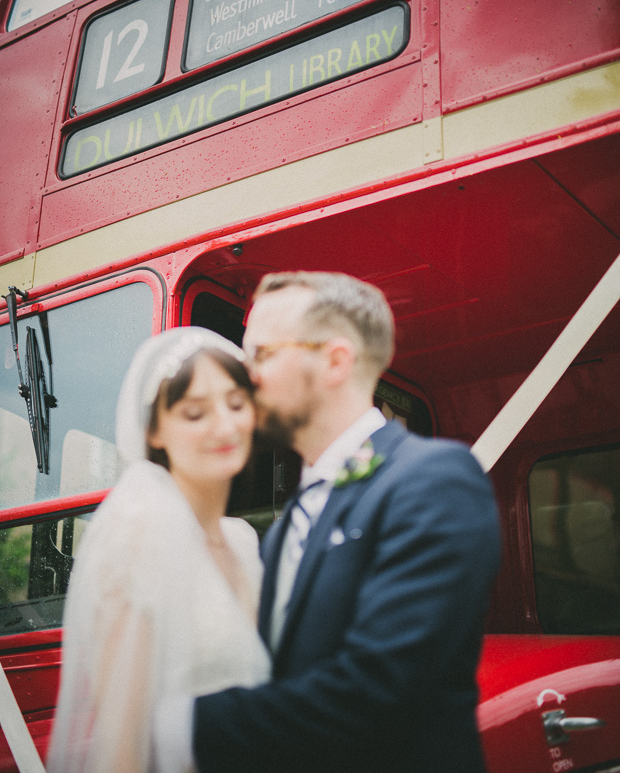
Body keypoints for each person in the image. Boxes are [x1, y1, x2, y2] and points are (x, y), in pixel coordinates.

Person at [155, 271, 502, 773]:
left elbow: (378, 691)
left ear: (336, 360)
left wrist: (179, 728)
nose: (243, 376)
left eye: (262, 355)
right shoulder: (290, 521)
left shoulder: (435, 479)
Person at [47, 327, 271, 773]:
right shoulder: (142, 544)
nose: (225, 426)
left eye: (235, 403)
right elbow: (121, 746)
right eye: (194, 413)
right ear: (154, 430)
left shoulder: (243, 542)